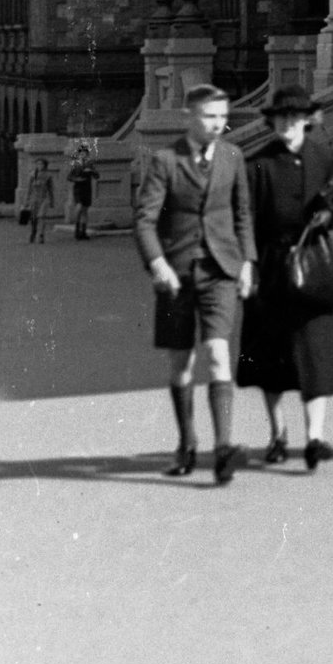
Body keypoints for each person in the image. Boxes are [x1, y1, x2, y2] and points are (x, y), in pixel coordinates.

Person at [134, 83, 256, 484]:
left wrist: (248, 262)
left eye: (223, 117)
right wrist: (158, 264)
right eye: (210, 117)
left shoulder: (233, 157)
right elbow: (145, 219)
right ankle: (187, 442)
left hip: (221, 270)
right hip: (177, 275)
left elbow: (242, 214)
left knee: (220, 355)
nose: (219, 125)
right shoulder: (165, 161)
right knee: (180, 362)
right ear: (191, 117)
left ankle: (223, 448)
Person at [237, 88, 333, 469]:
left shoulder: (325, 157)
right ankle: (278, 433)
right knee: (271, 357)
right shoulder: (258, 165)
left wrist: (330, 217)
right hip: (270, 268)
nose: (286, 124)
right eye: (280, 118)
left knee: (316, 354)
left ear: (307, 120)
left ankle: (315, 437)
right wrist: (247, 264)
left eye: (293, 117)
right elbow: (245, 220)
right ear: (272, 121)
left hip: (315, 265)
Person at [23, 152, 59, 245]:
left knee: (41, 216)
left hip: (44, 198)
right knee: (34, 218)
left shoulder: (48, 176)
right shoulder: (32, 175)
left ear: (45, 165)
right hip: (34, 199)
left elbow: (51, 189)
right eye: (38, 164)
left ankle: (41, 235)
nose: (40, 166)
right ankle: (33, 231)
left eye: (42, 164)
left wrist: (52, 201)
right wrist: (26, 201)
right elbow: (29, 189)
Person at [68, 140, 97, 240]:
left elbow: (97, 176)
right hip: (78, 188)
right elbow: (69, 177)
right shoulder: (76, 166)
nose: (83, 155)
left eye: (85, 154)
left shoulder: (90, 165)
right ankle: (77, 229)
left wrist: (92, 171)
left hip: (87, 188)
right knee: (79, 207)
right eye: (81, 154)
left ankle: (83, 232)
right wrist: (78, 179)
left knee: (85, 210)